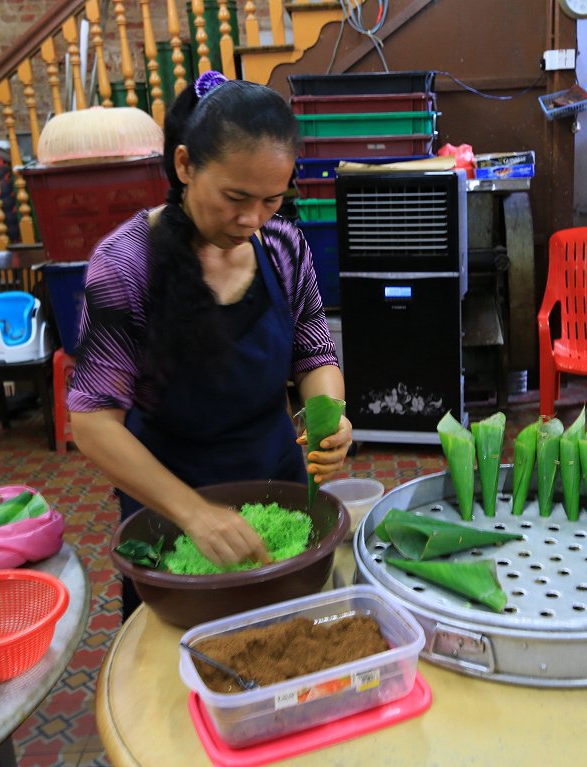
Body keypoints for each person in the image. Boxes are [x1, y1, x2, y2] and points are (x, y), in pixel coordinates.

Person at [66, 71, 353, 618]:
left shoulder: (284, 248)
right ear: (184, 166)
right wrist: (194, 514)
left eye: (272, 200)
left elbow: (314, 354)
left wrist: (330, 414)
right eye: (234, 197)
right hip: (170, 515)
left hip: (281, 497)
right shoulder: (126, 264)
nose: (251, 220)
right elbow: (93, 422)